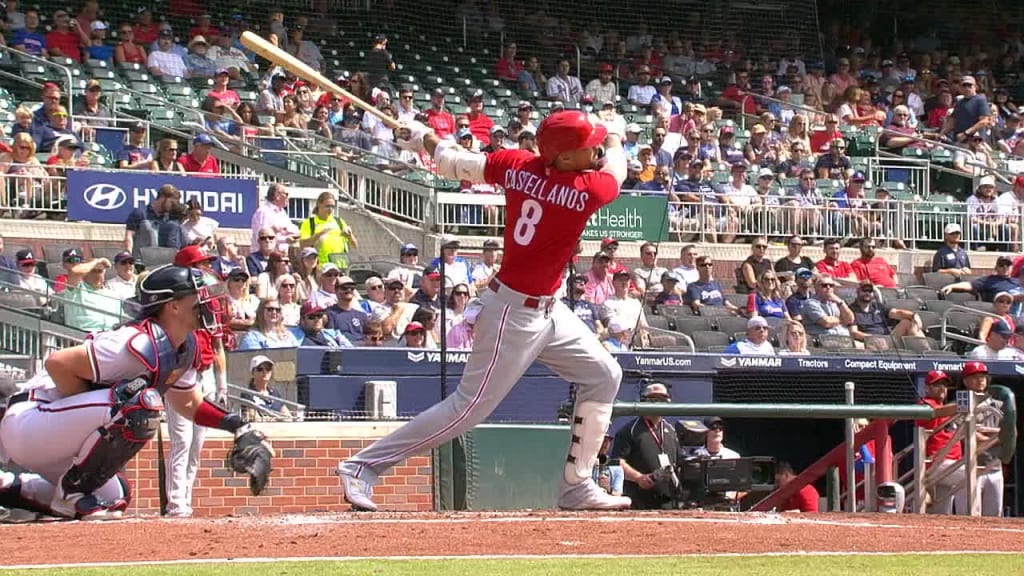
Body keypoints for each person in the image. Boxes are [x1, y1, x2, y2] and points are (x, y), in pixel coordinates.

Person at [339, 110, 632, 511]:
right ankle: (363, 466)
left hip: (547, 309)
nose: (595, 149)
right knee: (468, 408)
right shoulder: (586, 190)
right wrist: (615, 134)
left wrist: (422, 136)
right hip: (513, 312)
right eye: (587, 147)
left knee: (603, 373)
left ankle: (577, 484)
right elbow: (617, 167)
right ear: (563, 158)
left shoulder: (517, 163)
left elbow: (450, 161)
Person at [0, 265, 272, 519]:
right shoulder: (134, 342)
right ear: (173, 305)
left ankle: (13, 486)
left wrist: (239, 426)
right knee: (141, 404)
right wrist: (94, 410)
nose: (206, 303)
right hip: (30, 421)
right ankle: (72, 491)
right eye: (197, 296)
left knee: (115, 497)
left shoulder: (183, 346)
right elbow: (57, 363)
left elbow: (189, 403)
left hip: (59, 436)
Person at [610, 383, 679, 510]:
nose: (658, 403)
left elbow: (678, 461)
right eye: (653, 399)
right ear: (643, 401)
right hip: (639, 502)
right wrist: (639, 478)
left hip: (669, 501)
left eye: (662, 399)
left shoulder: (671, 430)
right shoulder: (629, 430)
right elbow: (617, 462)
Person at [914, 370, 965, 515]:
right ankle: (969, 518)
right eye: (937, 385)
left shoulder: (948, 408)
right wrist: (963, 405)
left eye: (944, 384)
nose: (942, 388)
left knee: (941, 513)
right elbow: (937, 412)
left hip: (951, 463)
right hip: (937, 462)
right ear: (927, 388)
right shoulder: (924, 404)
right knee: (969, 475)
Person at [298, 191, 357, 269]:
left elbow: (355, 245)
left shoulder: (339, 222)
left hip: (340, 266)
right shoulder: (309, 223)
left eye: (332, 206)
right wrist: (318, 235)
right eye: (327, 206)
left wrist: (350, 236)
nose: (330, 209)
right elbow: (302, 244)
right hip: (320, 267)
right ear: (319, 204)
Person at [241, 355, 291, 421]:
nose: (265, 372)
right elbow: (254, 418)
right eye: (260, 369)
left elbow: (288, 416)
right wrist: (278, 419)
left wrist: (270, 419)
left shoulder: (275, 393)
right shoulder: (247, 394)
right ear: (253, 373)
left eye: (268, 369)